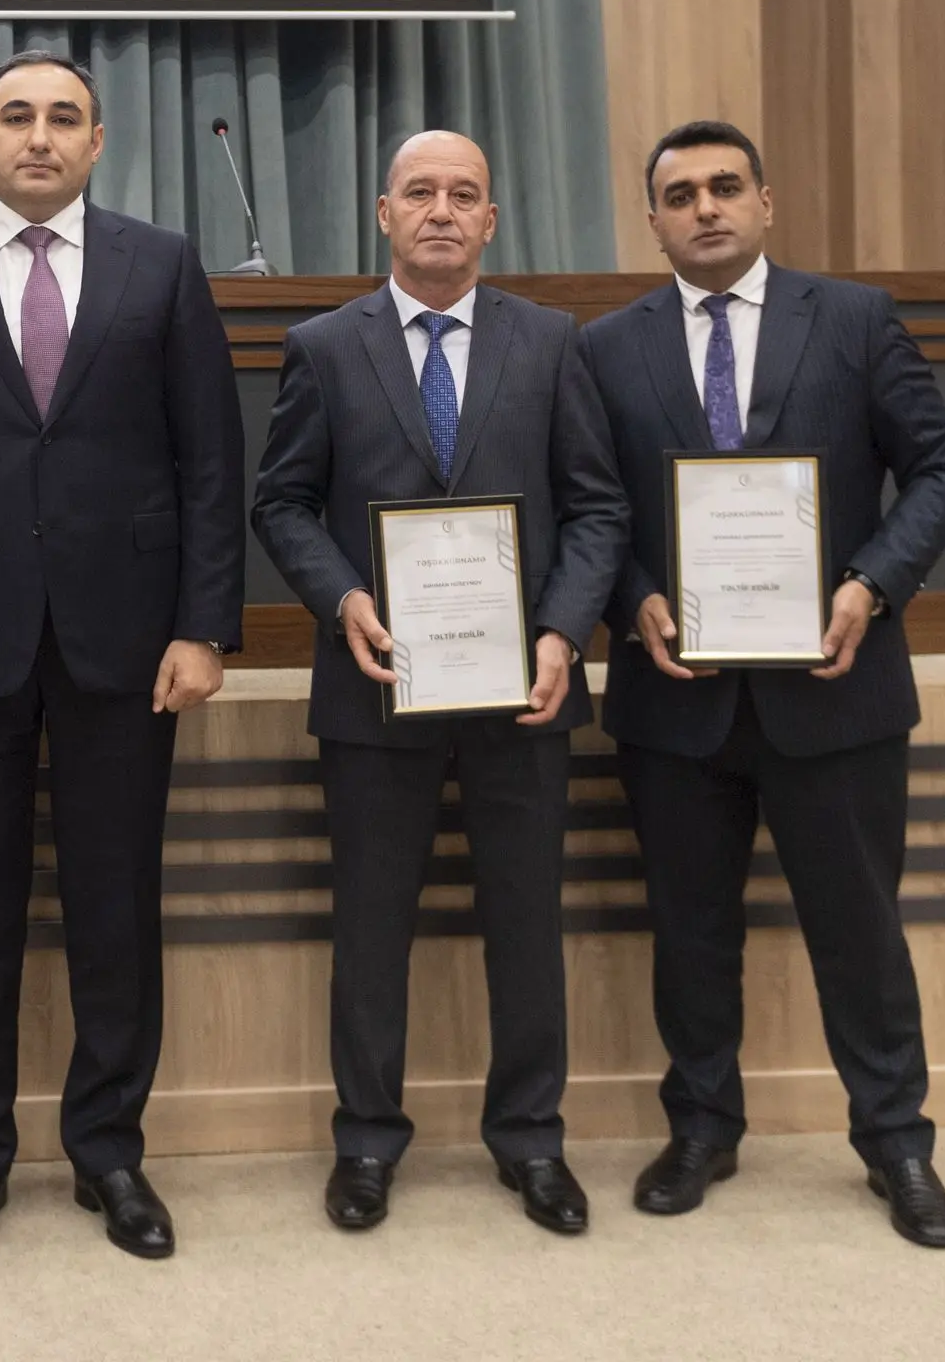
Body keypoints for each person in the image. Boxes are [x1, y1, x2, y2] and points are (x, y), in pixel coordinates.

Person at [0, 50, 244, 1265]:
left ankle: (108, 1148)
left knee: (116, 909)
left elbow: (211, 458)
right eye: (16, 116)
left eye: (63, 117)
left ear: (97, 141)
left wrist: (204, 625)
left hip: (128, 641)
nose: (39, 136)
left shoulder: (160, 263)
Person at [582, 118, 945, 1250]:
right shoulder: (604, 348)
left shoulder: (854, 319)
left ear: (766, 202)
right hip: (677, 695)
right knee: (690, 933)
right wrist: (632, 598)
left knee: (861, 933)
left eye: (725, 186)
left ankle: (897, 1142)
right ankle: (702, 1127)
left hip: (836, 686)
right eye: (680, 195)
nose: (705, 207)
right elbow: (590, 506)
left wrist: (872, 584)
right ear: (652, 220)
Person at [249, 130, 627, 1238]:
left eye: (465, 194)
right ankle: (367, 1139)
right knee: (371, 927)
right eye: (421, 192)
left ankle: (532, 1137)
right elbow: (282, 502)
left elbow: (597, 505)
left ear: (492, 220)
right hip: (377, 683)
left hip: (525, 687)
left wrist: (563, 630)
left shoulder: (551, 340)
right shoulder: (324, 346)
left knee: (527, 920)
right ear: (384, 214)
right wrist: (341, 598)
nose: (443, 210)